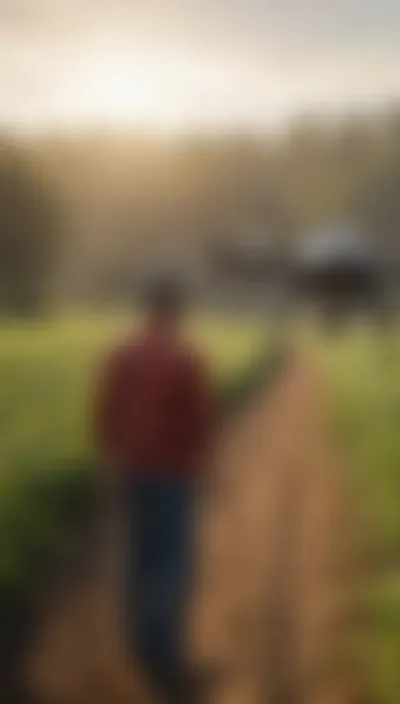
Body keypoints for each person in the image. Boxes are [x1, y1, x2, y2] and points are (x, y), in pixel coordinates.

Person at [94, 276, 216, 703]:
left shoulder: (122, 353)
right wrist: (204, 463)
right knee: (171, 561)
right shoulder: (185, 357)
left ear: (147, 309)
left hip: (131, 467)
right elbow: (200, 420)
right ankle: (162, 652)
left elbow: (104, 410)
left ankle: (135, 643)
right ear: (176, 311)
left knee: (138, 555)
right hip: (172, 471)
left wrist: (112, 457)